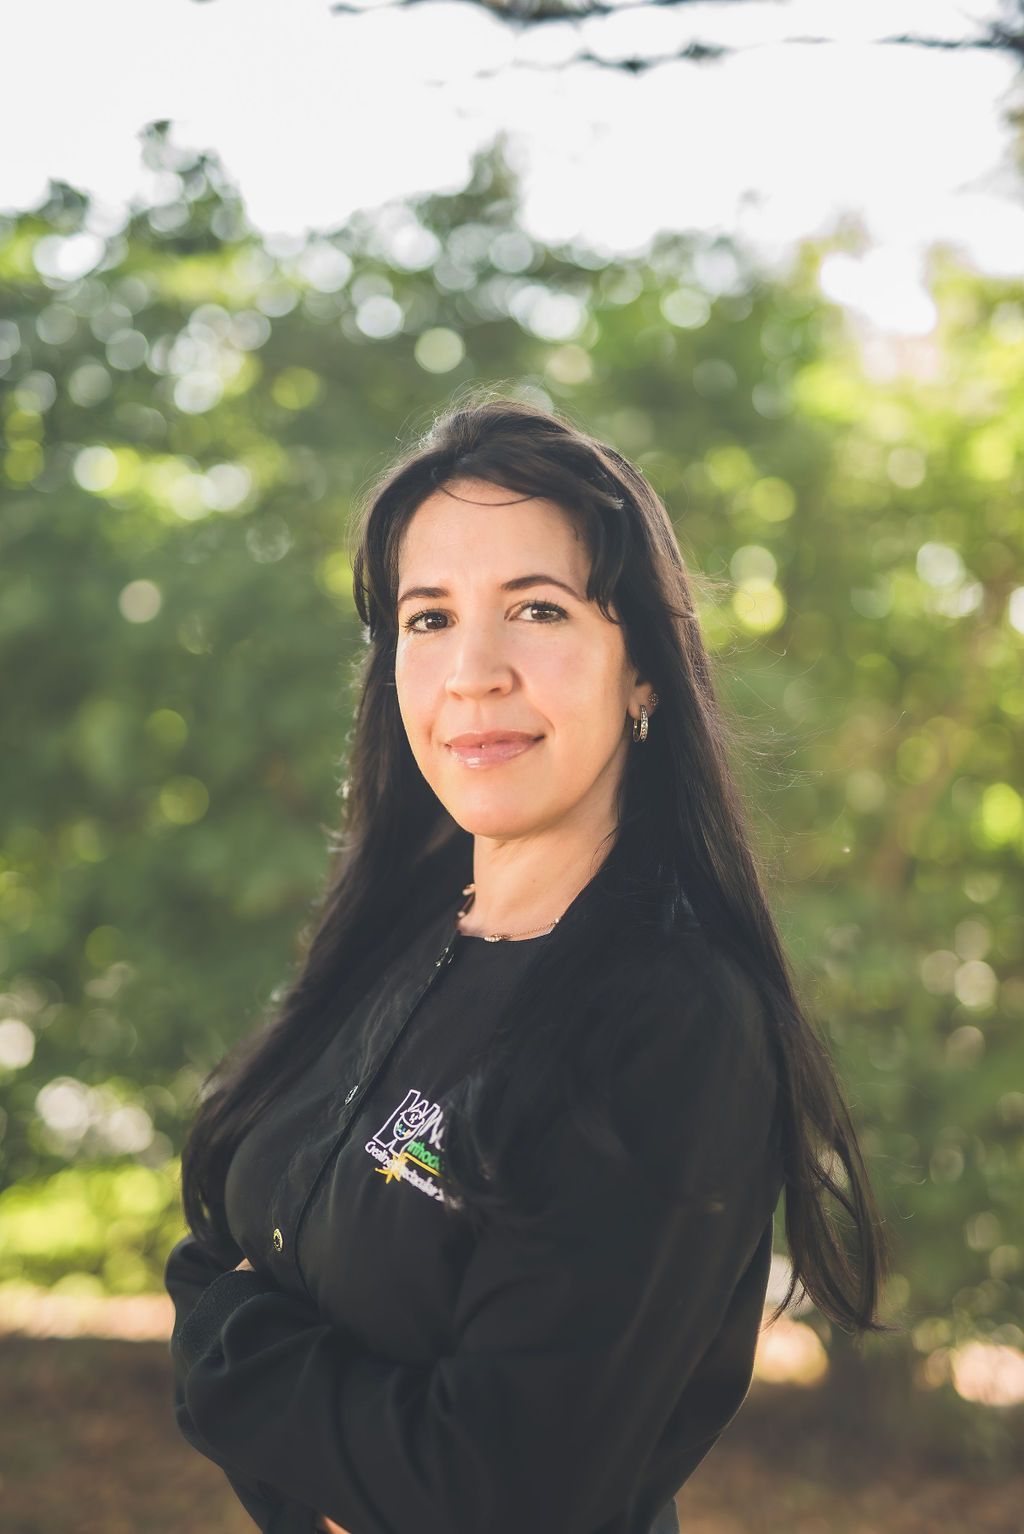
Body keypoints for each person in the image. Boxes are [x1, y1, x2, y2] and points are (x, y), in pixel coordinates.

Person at [164, 391, 896, 1534]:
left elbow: (498, 1492)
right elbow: (214, 1246)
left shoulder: (672, 1025)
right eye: (428, 617)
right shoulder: (393, 941)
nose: (474, 671)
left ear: (642, 668)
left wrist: (224, 1365)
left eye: (539, 609)